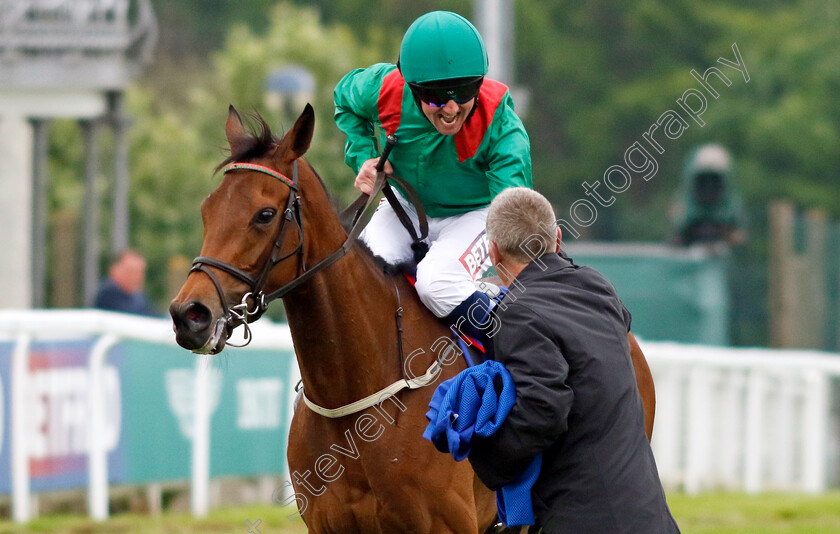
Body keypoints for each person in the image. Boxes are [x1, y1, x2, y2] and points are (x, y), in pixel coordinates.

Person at [467, 188, 680, 533]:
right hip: (652, 519)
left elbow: (543, 409)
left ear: (492, 251)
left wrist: (482, 455)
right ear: (558, 238)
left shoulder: (518, 315)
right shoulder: (597, 287)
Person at [333, 10, 532, 337]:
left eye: (465, 91)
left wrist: (503, 271)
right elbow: (344, 99)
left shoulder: (500, 120)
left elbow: (511, 212)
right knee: (354, 282)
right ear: (412, 88)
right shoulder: (384, 89)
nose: (452, 109)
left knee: (435, 283)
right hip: (406, 206)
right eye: (437, 97)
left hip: (477, 214)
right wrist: (365, 157)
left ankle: (518, 351)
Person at [670, 143, 747, 247]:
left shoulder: (728, 209)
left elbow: (737, 235)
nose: (709, 188)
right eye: (703, 180)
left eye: (714, 180)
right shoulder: (687, 208)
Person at [93, 249, 156, 316]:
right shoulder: (108, 294)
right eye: (131, 271)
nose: (136, 277)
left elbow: (154, 315)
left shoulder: (139, 296)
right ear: (115, 270)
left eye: (140, 272)